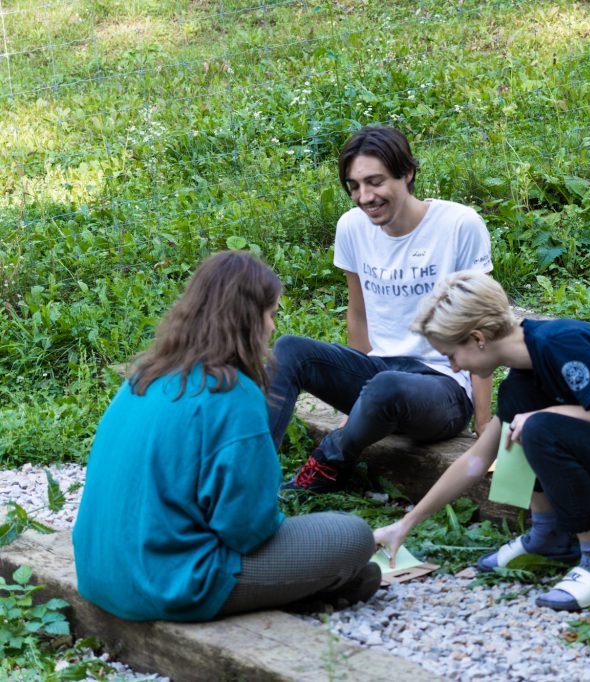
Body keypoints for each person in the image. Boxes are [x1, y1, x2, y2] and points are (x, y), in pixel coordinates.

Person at [373, 271, 590, 611]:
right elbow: (477, 459)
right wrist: (407, 524)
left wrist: (547, 416)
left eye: (450, 355)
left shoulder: (558, 343)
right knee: (524, 412)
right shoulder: (521, 377)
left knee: (539, 427)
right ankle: (549, 534)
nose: (454, 366)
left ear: (477, 338)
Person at [72, 251, 380, 622]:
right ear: (250, 321)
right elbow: (247, 530)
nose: (272, 328)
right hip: (167, 583)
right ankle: (315, 585)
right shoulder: (233, 394)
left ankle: (317, 585)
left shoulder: (144, 374)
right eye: (271, 315)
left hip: (97, 571)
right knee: (354, 536)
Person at [269, 126, 493, 494]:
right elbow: (358, 315)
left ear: (407, 173)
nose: (364, 196)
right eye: (354, 185)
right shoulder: (352, 227)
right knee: (290, 349)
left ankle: (331, 458)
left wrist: (483, 423)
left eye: (374, 182)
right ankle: (250, 473)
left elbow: (482, 325)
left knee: (386, 385)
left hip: (442, 389)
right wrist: (362, 405)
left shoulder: (458, 225)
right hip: (379, 374)